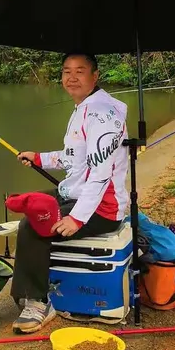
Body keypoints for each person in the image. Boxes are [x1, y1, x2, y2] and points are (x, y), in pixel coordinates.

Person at [10, 52, 128, 333]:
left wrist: (77, 218)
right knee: (31, 204)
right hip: (77, 192)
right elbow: (74, 158)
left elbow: (101, 175)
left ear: (95, 75)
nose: (71, 78)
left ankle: (39, 302)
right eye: (66, 71)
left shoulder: (101, 115)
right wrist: (39, 158)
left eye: (80, 71)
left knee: (33, 224)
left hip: (103, 208)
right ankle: (33, 280)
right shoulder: (84, 107)